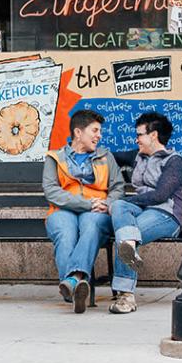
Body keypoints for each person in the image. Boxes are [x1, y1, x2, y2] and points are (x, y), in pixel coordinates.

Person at [43, 109, 124, 313]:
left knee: (91, 225)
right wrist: (87, 204)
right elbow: (52, 192)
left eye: (100, 131)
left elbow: (118, 188)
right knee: (65, 232)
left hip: (97, 211)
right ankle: (75, 283)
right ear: (78, 133)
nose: (99, 135)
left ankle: (72, 281)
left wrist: (106, 204)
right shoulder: (55, 158)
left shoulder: (106, 157)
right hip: (63, 209)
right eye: (95, 130)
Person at [107, 112, 182, 315]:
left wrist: (128, 201)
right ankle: (128, 251)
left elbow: (161, 195)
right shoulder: (138, 156)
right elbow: (109, 156)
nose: (137, 139)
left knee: (125, 237)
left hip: (165, 214)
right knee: (119, 210)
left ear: (153, 135)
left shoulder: (174, 161)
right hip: (140, 210)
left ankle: (125, 297)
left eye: (139, 134)